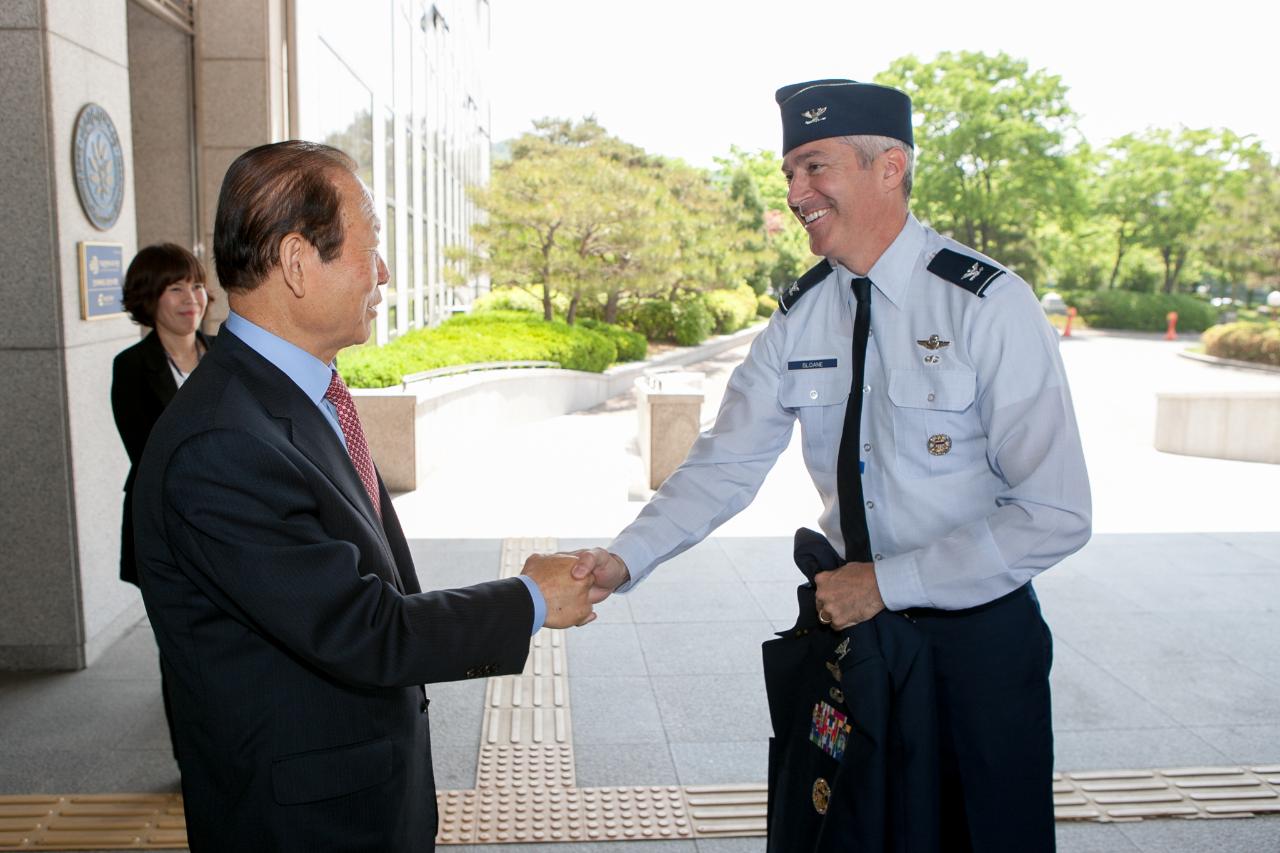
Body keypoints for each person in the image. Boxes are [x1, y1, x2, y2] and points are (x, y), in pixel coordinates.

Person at [574, 79, 1091, 851]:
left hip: (975, 647)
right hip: (858, 645)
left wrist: (886, 582)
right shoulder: (802, 311)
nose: (794, 191)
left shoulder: (986, 304)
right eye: (788, 172)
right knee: (843, 833)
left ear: (891, 168)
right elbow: (726, 461)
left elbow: (1055, 512)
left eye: (814, 167)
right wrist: (623, 558)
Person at [131, 140, 594, 853]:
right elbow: (364, 628)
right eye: (368, 246)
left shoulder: (295, 395)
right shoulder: (222, 445)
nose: (383, 271)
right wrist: (529, 598)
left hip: (361, 794)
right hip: (302, 824)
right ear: (294, 263)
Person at [111, 242, 213, 587]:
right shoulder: (131, 367)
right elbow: (147, 455)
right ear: (150, 296)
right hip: (166, 523)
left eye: (196, 286)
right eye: (176, 288)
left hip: (232, 519)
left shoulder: (227, 354)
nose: (191, 298)